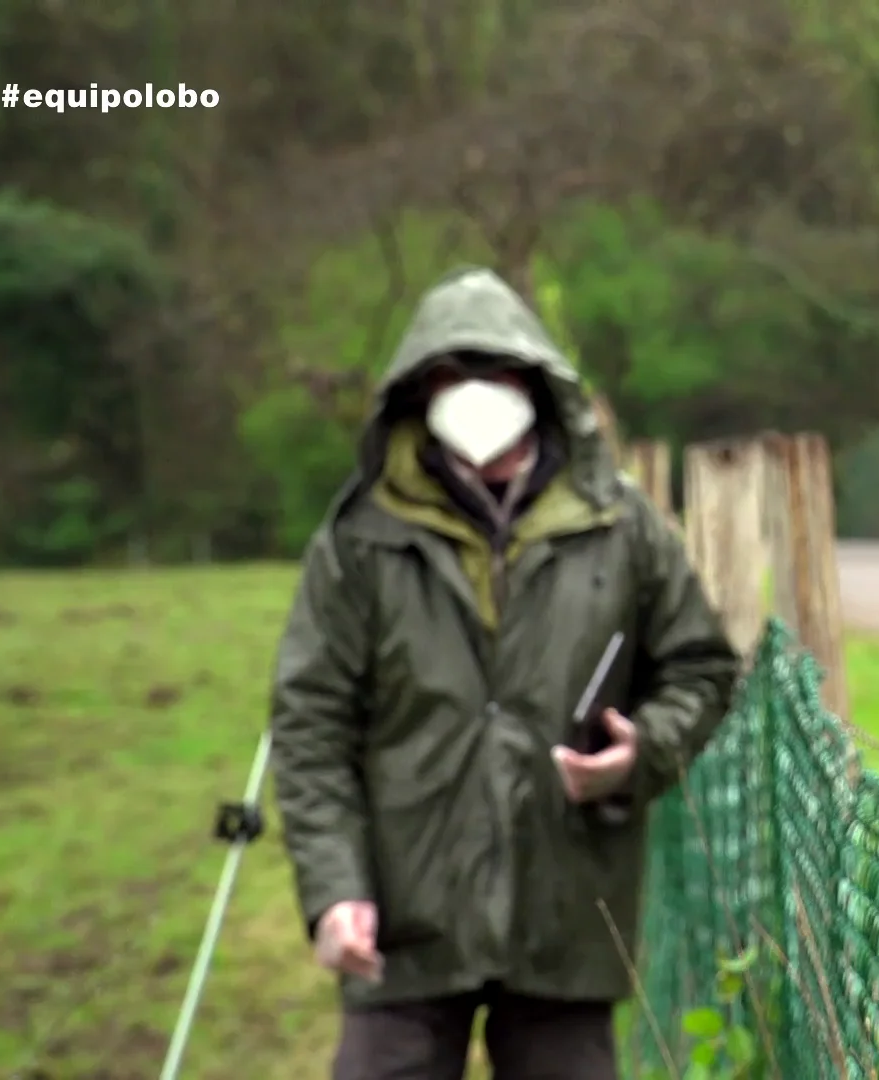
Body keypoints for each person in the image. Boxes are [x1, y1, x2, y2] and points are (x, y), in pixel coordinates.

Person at [268, 266, 740, 1080]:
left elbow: (701, 666)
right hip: (403, 925)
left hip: (564, 913)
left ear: (537, 386)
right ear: (418, 393)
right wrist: (335, 889)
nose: (477, 393)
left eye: (497, 371)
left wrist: (639, 756)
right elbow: (311, 720)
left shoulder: (620, 527)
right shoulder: (360, 541)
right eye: (453, 374)